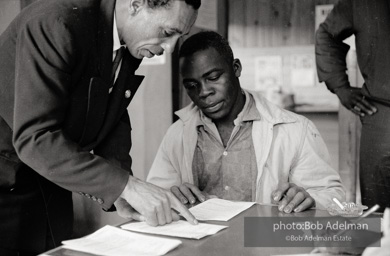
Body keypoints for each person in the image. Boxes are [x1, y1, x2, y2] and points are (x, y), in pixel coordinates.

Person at [0, 0, 200, 255]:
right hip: (6, 182)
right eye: (167, 33)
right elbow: (35, 138)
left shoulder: (129, 43)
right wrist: (126, 185)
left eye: (179, 36)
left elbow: (112, 113)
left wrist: (119, 191)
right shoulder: (55, 22)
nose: (169, 49)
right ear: (136, 5)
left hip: (53, 182)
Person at [147, 31, 345, 213]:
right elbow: (154, 197)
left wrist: (311, 201)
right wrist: (171, 197)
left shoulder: (296, 130)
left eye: (214, 78)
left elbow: (335, 199)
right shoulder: (177, 134)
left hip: (264, 246)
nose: (204, 92)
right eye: (192, 85)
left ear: (236, 68)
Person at [315, 0, 390, 211]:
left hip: (381, 119)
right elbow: (327, 34)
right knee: (378, 216)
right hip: (383, 118)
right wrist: (340, 87)